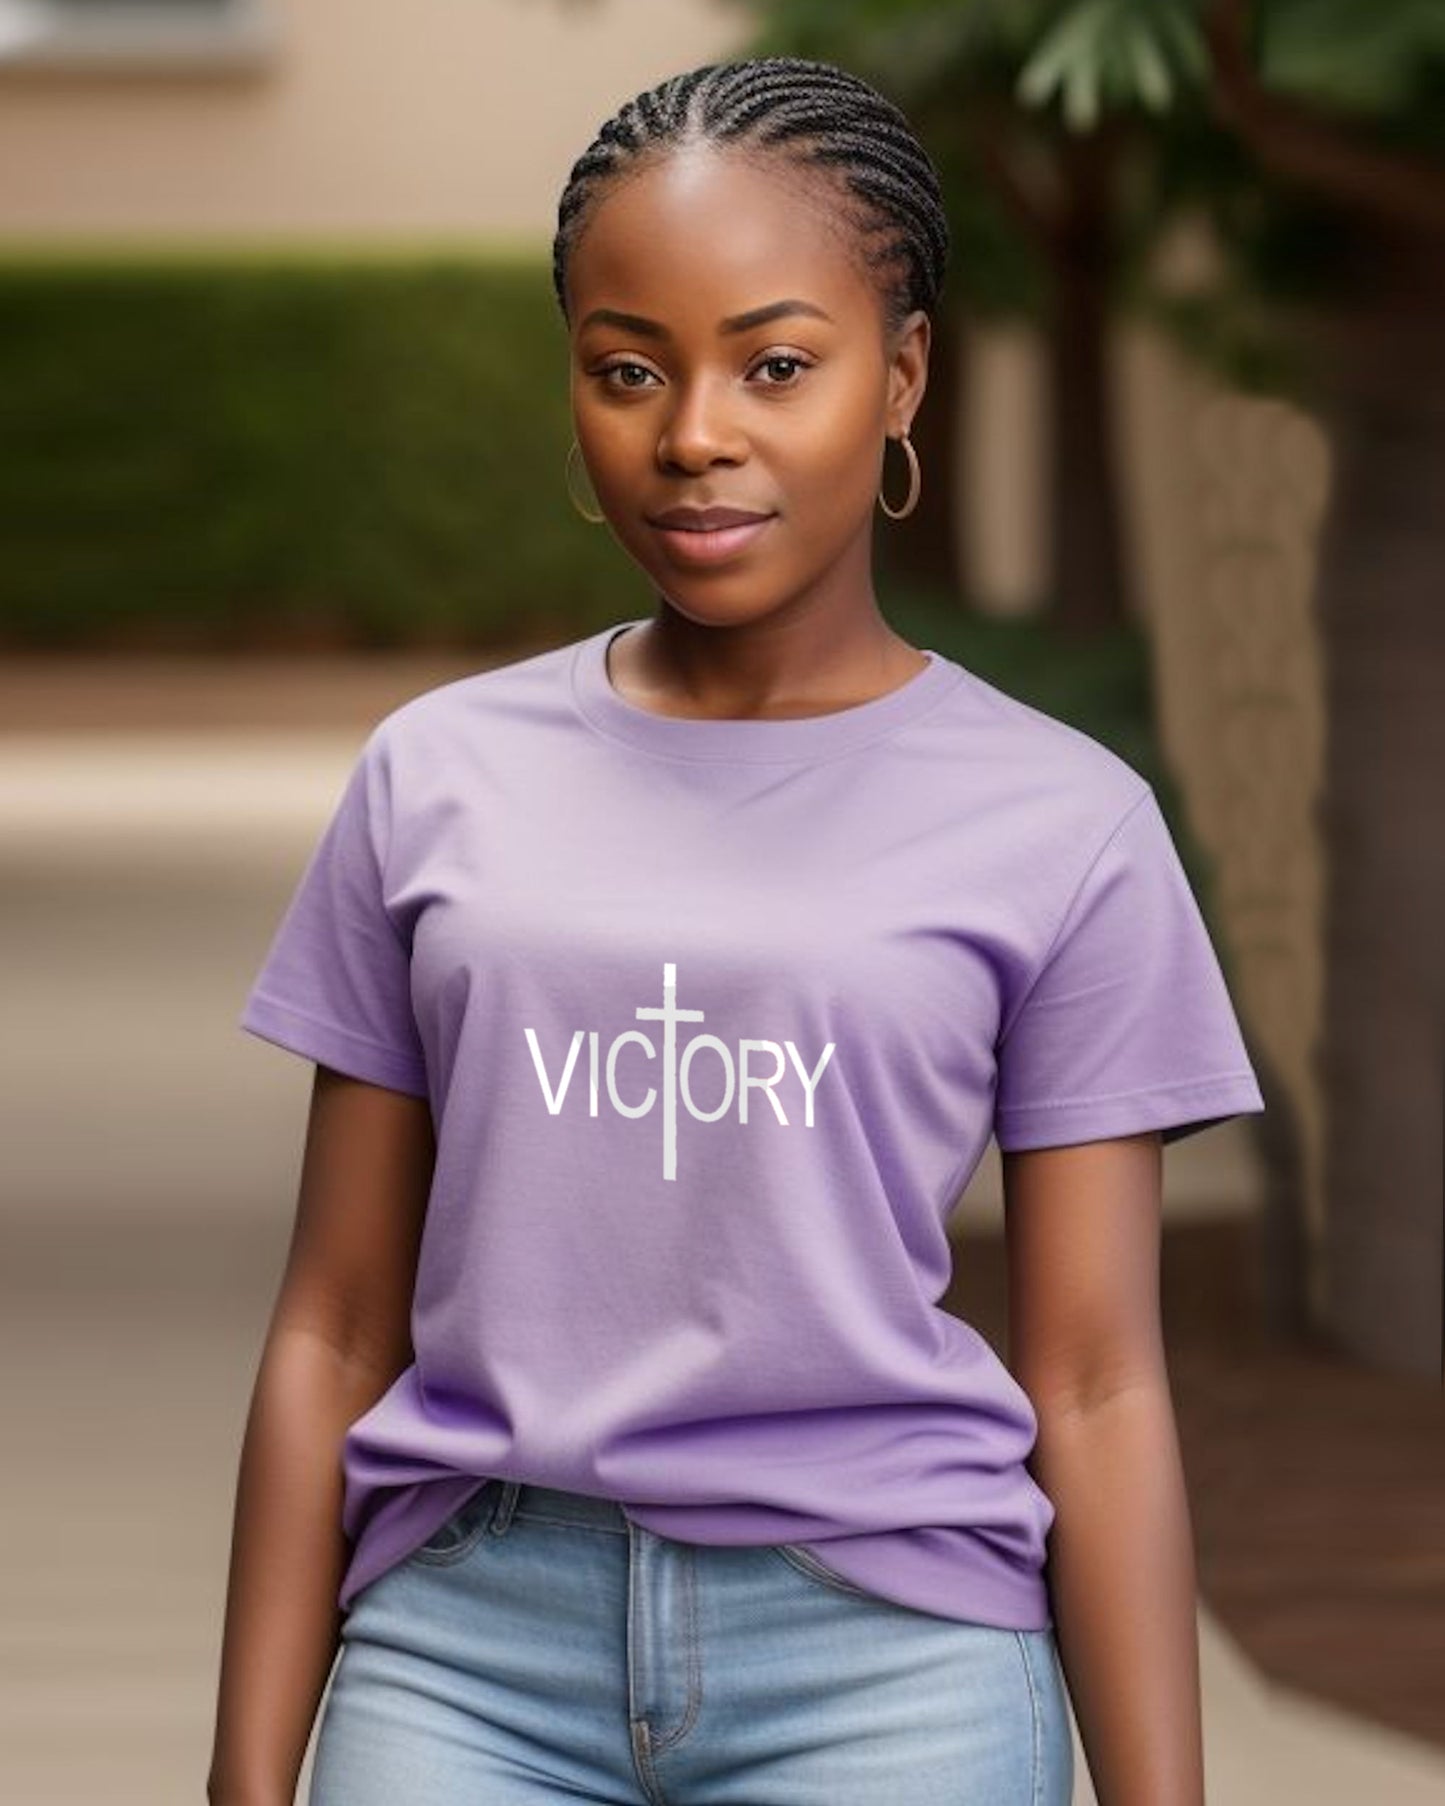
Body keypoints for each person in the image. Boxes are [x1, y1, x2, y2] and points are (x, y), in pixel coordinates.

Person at [207, 54, 1265, 1806]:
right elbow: (331, 1322)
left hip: (890, 1658)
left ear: (901, 373)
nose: (694, 431)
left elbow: (1092, 1377)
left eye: (776, 364)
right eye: (629, 370)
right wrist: (247, 1781)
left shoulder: (1064, 824)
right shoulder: (433, 778)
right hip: (466, 1644)